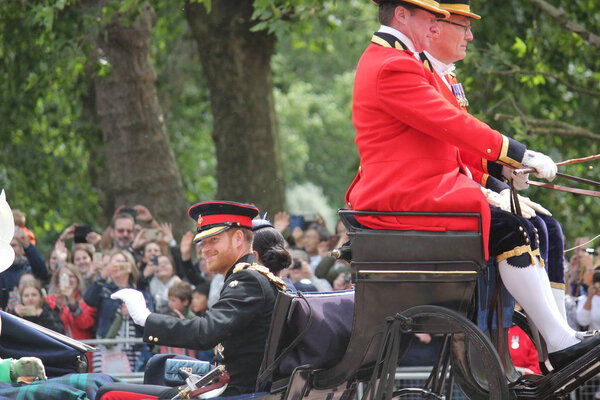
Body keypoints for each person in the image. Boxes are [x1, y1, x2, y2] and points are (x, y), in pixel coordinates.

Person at [346, 0, 600, 371]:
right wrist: (518, 154)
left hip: (420, 187)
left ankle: (558, 337)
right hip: (403, 193)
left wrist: (501, 167)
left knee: (527, 226)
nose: (436, 26)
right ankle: (558, 342)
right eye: (430, 18)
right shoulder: (393, 65)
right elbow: (452, 124)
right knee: (512, 230)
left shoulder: (403, 61)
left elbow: (445, 139)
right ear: (401, 14)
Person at [422, 0, 569, 320]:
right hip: (433, 193)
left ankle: (558, 329)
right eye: (464, 27)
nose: (470, 36)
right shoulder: (424, 75)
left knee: (550, 229)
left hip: (458, 182)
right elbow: (455, 146)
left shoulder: (446, 78)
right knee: (524, 229)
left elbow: (459, 154)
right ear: (436, 27)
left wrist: (501, 174)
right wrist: (513, 161)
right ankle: (548, 336)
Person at [96, 201, 286, 399]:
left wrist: (146, 319)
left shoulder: (248, 279)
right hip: (229, 385)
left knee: (109, 394)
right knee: (157, 366)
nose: (205, 249)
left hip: (234, 393)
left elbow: (206, 332)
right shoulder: (252, 276)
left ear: (238, 238)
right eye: (203, 242)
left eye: (213, 240)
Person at [83, 250, 153, 374]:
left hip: (134, 349)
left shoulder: (140, 294)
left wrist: (133, 313)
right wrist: (103, 275)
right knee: (106, 384)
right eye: (114, 262)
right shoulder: (104, 290)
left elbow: (149, 321)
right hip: (107, 348)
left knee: (132, 387)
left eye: (122, 262)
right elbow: (89, 299)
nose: (118, 265)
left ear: (130, 267)